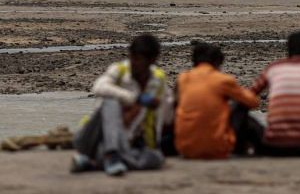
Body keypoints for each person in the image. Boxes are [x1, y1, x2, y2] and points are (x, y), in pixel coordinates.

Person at [71, 34, 172, 176]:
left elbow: (164, 114)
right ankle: (111, 156)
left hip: (124, 143)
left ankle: (95, 162)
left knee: (156, 158)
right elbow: (99, 87)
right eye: (133, 58)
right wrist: (134, 98)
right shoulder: (119, 70)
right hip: (92, 139)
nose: (134, 63)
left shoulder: (157, 80)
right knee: (110, 102)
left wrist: (155, 143)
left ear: (152, 60)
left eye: (139, 60)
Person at [237, 32, 300, 156]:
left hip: (273, 146)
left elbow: (248, 95)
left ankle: (241, 146)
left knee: (237, 108)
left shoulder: (274, 67)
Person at [174, 42, 259, 159]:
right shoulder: (222, 80)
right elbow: (253, 102)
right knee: (240, 106)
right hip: (218, 149)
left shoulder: (183, 79)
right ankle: (241, 148)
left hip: (185, 148)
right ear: (217, 62)